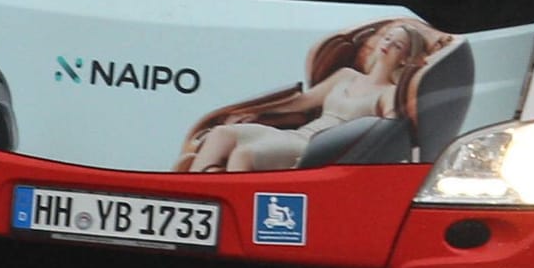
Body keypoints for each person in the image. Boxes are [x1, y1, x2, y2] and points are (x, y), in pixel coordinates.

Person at [183, 21, 428, 173]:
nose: (387, 44)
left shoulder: (389, 93)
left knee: (244, 153)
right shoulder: (346, 76)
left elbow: (392, 130)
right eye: (387, 38)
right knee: (220, 134)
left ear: (406, 58)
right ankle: (193, 202)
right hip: (297, 134)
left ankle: (240, 218)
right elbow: (303, 101)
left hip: (318, 147)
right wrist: (260, 112)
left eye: (397, 45)